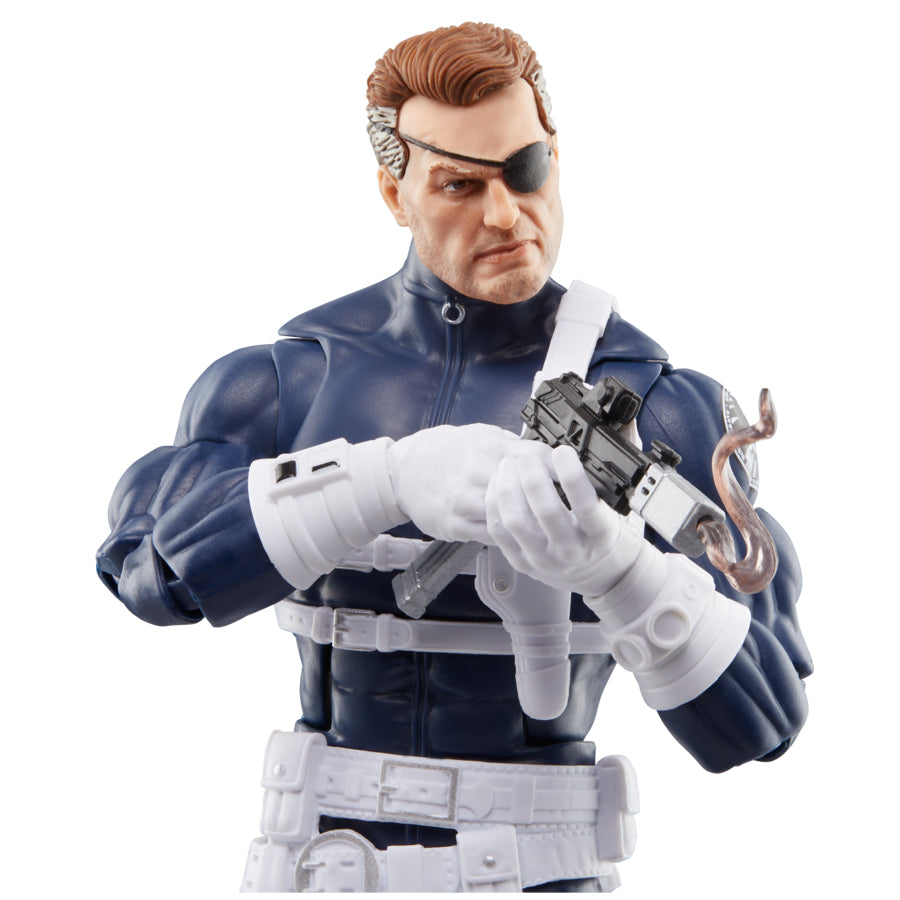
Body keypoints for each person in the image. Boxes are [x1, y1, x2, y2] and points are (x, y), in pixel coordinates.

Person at [96, 22, 812, 893]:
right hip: (317, 867)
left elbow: (766, 720)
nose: (505, 215)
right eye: (459, 185)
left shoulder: (659, 407)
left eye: (526, 169)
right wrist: (377, 482)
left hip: (535, 872)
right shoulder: (289, 382)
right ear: (394, 194)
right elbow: (147, 572)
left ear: (556, 154)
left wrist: (620, 571)